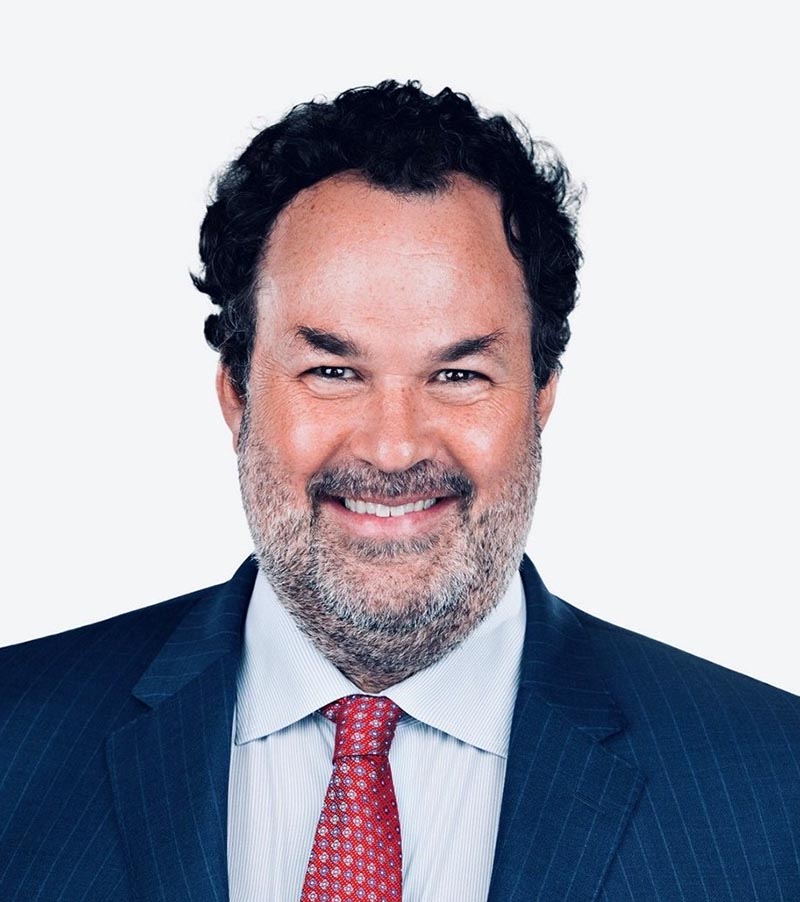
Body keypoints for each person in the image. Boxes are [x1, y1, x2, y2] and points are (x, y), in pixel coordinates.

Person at [0, 80, 797, 902]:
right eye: (333, 371)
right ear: (235, 393)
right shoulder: (13, 741)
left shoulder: (777, 791)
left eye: (458, 373)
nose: (393, 447)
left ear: (540, 397)